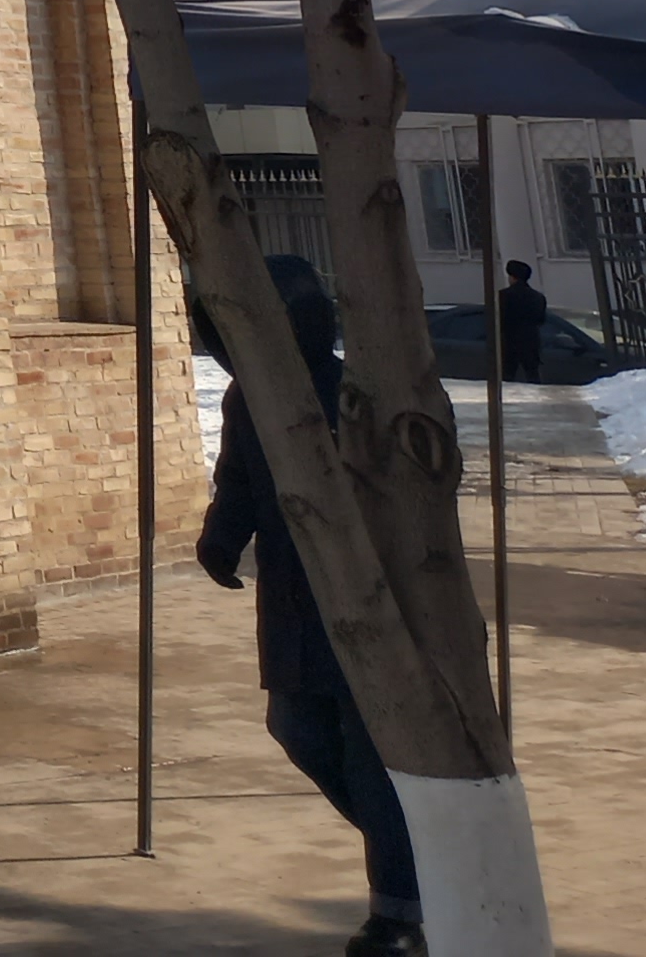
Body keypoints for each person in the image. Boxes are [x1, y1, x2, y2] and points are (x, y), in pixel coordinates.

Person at [200, 254, 422, 957]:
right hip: (291, 602)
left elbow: (412, 487)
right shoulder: (246, 398)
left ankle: (398, 912)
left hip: (366, 599)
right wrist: (221, 536)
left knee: (368, 756)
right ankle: (420, 854)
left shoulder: (354, 391)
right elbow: (237, 476)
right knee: (296, 728)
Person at [497, 259, 548, 383]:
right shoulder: (538, 297)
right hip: (531, 341)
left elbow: (499, 319)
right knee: (533, 376)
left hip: (508, 342)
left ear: (512, 277)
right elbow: (541, 320)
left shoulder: (502, 296)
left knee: (507, 377)